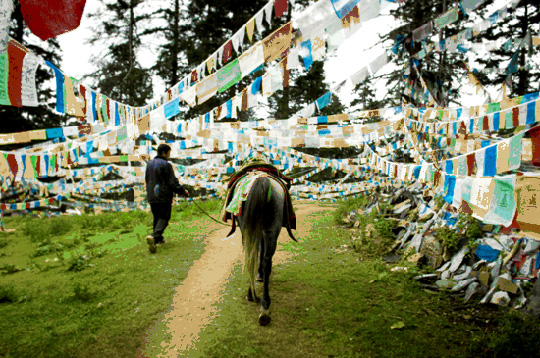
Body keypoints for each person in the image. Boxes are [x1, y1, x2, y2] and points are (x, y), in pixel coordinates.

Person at [145, 144, 189, 253]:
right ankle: (154, 236)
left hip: (151, 195)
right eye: (169, 153)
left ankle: (158, 240)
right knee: (164, 218)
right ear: (164, 153)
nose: (169, 155)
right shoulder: (166, 165)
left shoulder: (149, 164)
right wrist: (183, 191)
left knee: (157, 217)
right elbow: (172, 183)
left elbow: (147, 180)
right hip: (163, 195)